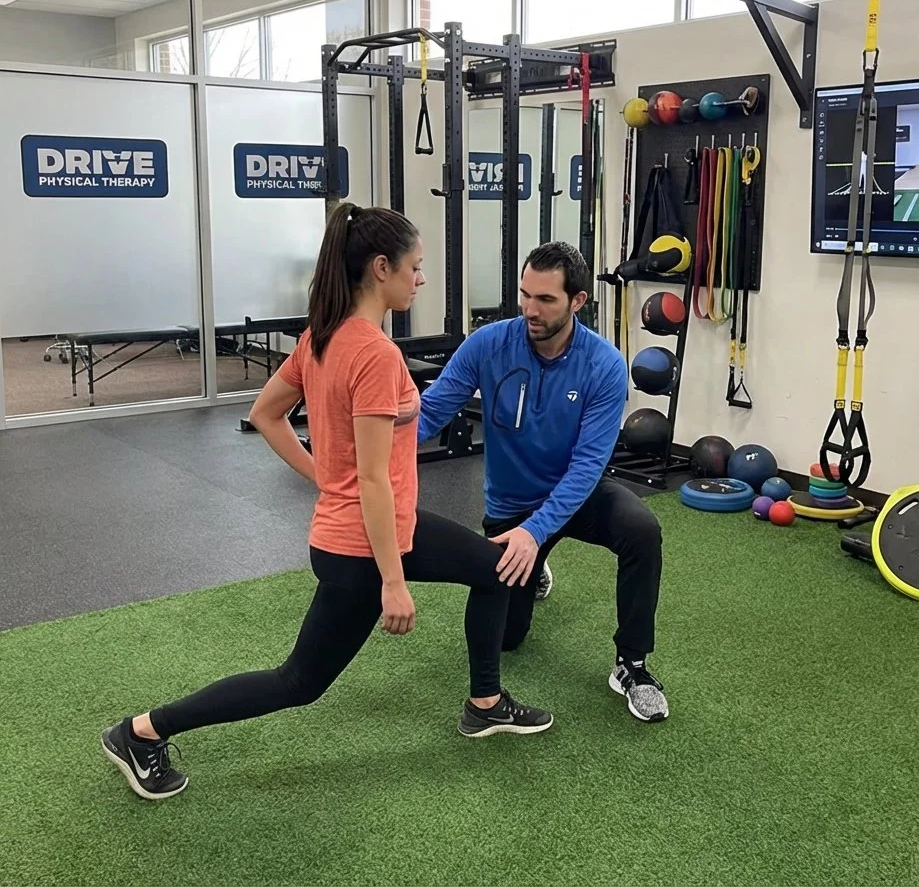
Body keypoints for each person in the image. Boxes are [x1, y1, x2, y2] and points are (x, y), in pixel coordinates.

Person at [100, 204, 553, 802]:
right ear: (381, 267)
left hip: (382, 527)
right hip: (362, 548)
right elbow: (370, 479)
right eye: (415, 267)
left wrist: (323, 476)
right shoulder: (373, 353)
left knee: (496, 571)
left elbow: (266, 415)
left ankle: (486, 703)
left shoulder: (322, 336)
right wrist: (392, 580)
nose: (420, 279)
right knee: (298, 681)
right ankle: (140, 732)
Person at [418, 242, 669, 723]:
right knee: (509, 639)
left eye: (546, 300)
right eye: (524, 295)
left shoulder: (603, 364)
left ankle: (633, 665)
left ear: (577, 301)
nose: (530, 309)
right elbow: (429, 415)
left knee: (642, 529)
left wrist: (537, 532)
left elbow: (587, 466)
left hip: (577, 496)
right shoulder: (489, 344)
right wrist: (367, 447)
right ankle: (536, 568)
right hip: (511, 505)